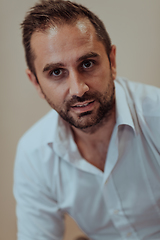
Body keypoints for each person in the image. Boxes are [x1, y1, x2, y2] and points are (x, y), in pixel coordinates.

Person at [13, 0, 160, 240]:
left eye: (88, 64)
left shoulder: (156, 117)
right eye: (56, 72)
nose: (78, 89)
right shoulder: (34, 154)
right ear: (36, 83)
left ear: (112, 62)